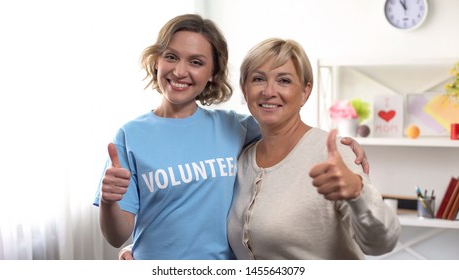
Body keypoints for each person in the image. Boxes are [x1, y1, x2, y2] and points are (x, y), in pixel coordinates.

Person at [94, 14, 369, 260]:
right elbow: (116, 236)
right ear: (156, 61)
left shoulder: (236, 127)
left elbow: (291, 132)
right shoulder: (130, 136)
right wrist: (109, 201)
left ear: (212, 74)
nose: (179, 71)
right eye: (171, 56)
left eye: (196, 62)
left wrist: (344, 146)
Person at [227, 38, 401, 259]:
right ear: (245, 89)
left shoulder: (333, 154)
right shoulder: (241, 158)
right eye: (258, 79)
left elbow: (382, 243)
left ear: (305, 92)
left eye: (284, 81)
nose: (269, 91)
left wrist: (358, 192)